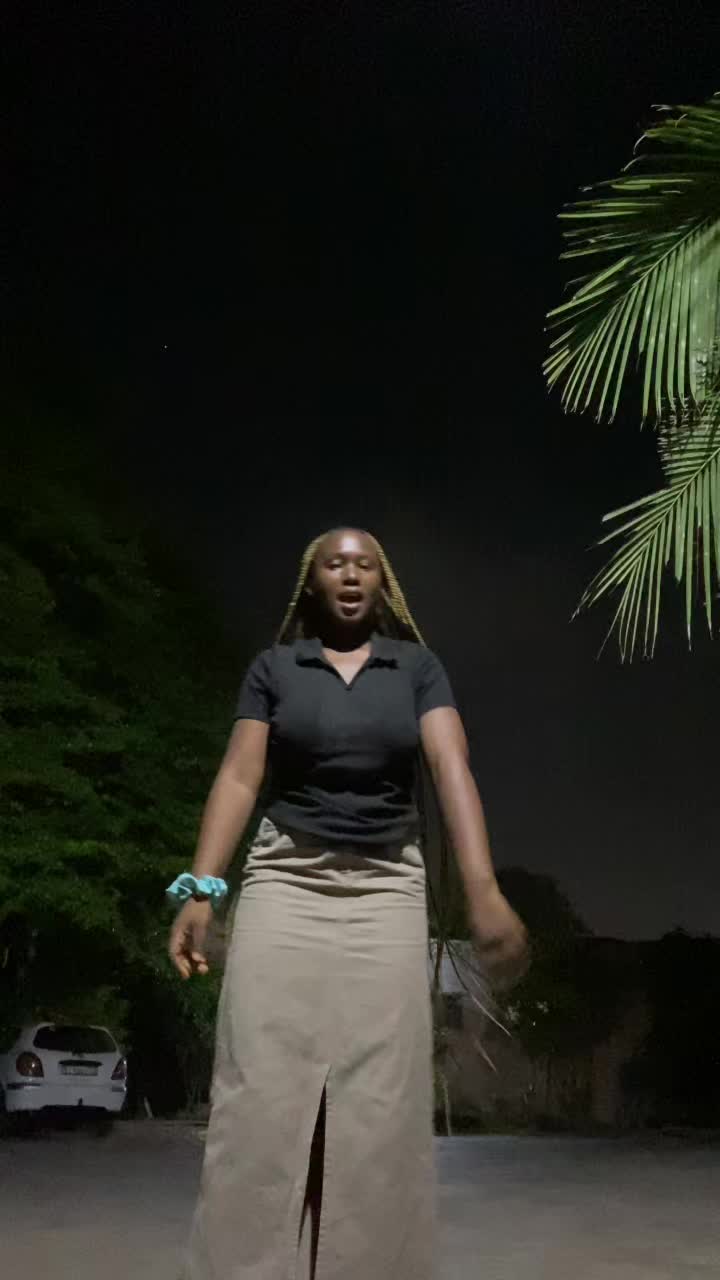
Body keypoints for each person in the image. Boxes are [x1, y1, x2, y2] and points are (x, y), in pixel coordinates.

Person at [168, 527, 528, 1280]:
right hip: (285, 880)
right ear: (313, 582)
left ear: (383, 584)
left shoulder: (417, 668)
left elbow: (450, 766)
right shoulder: (275, 668)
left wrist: (483, 889)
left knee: (380, 1112)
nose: (352, 573)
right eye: (336, 563)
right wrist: (201, 888)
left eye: (366, 564)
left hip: (386, 888)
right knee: (259, 1095)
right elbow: (239, 777)